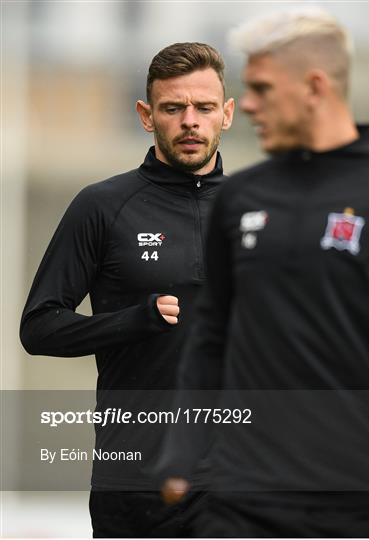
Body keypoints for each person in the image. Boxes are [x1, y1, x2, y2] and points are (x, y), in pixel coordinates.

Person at [160, 10, 369, 538]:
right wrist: (181, 451)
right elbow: (210, 336)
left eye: (262, 89)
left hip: (362, 496)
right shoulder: (240, 197)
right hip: (239, 497)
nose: (251, 107)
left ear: (315, 86)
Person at [20, 42, 234, 538]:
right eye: (173, 107)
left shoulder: (256, 212)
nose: (189, 121)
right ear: (146, 115)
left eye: (203, 108)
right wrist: (136, 321)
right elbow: (39, 327)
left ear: (226, 114)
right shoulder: (102, 206)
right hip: (136, 483)